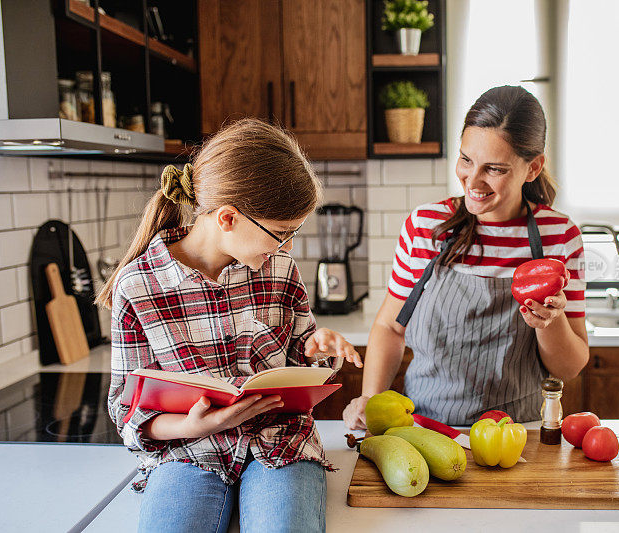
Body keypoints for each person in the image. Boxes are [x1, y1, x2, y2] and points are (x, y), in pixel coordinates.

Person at [97, 118, 361, 533]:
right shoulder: (138, 287)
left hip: (280, 443)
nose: (287, 246)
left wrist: (316, 344)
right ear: (227, 218)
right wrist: (193, 425)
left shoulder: (278, 268)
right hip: (188, 450)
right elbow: (126, 412)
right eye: (281, 233)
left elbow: (299, 348)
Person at [344, 86, 589, 429]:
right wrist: (371, 397)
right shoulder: (426, 227)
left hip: (519, 435)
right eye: (466, 159)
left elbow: (570, 367)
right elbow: (390, 326)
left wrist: (549, 323)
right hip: (425, 429)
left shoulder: (559, 236)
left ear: (532, 168)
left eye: (495, 169)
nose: (472, 180)